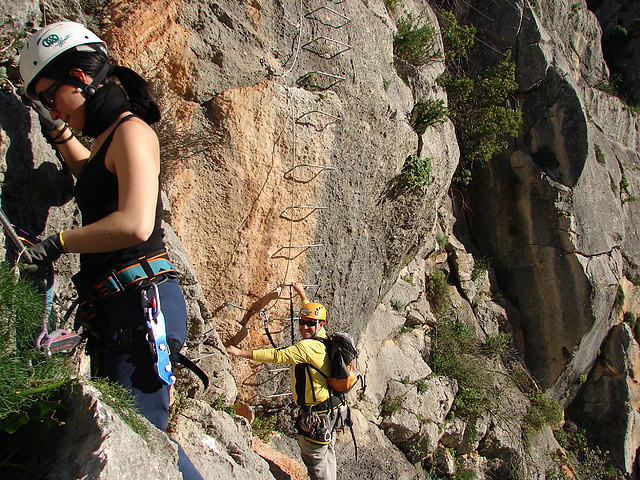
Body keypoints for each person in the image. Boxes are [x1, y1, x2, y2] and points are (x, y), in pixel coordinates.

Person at [18, 21, 203, 480]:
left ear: (79, 79)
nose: (49, 105)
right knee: (137, 433)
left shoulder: (133, 132)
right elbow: (96, 180)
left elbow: (135, 222)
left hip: (142, 306)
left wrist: (60, 242)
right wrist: (60, 134)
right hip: (125, 308)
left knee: (140, 440)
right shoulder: (108, 138)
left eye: (49, 95)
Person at [227, 282, 343, 480]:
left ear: (321, 324)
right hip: (332, 410)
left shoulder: (309, 348)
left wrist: (240, 352)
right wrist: (301, 293)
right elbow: (308, 311)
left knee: (315, 459)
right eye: (301, 322)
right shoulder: (324, 339)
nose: (304, 327)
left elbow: (278, 355)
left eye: (310, 324)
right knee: (326, 453)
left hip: (317, 414)